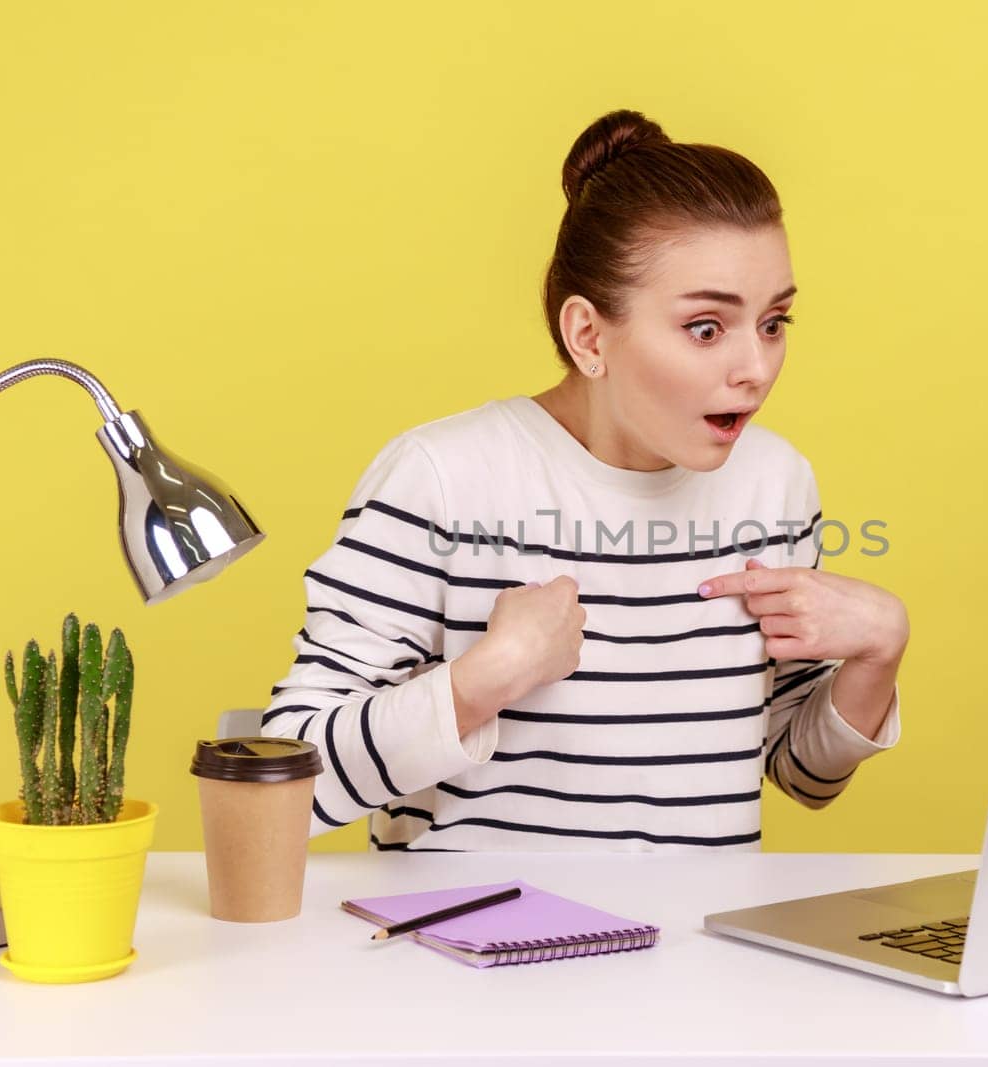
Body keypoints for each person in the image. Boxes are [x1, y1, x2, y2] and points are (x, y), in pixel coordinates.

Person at [261, 109, 910, 851]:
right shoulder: (442, 479)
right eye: (706, 327)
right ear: (589, 335)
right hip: (472, 950)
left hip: (697, 957)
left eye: (773, 323)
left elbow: (801, 773)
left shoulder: (776, 484)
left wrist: (878, 653)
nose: (756, 369)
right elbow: (288, 784)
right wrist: (487, 677)